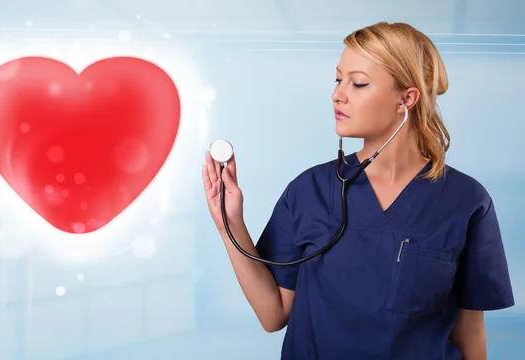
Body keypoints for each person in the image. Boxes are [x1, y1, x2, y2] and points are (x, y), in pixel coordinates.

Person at [202, 21, 515, 359]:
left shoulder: (467, 201)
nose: (338, 94)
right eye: (339, 79)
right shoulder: (309, 191)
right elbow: (273, 314)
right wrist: (229, 223)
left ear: (406, 98)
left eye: (359, 83)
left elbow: (470, 333)